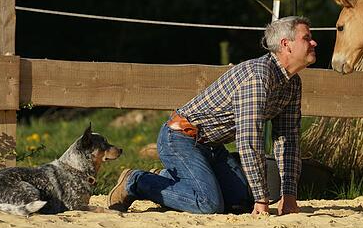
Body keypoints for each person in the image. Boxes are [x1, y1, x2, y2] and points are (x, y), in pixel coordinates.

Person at [108, 16, 317, 215]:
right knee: (208, 203)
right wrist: (262, 200)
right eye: (306, 38)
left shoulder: (293, 83)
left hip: (212, 146)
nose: (314, 42)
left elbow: (288, 139)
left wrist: (289, 194)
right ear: (286, 44)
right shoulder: (258, 76)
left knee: (241, 202)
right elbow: (249, 140)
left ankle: (169, 179)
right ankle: (136, 181)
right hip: (181, 138)